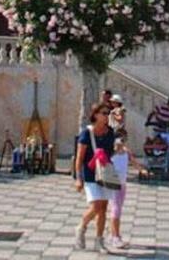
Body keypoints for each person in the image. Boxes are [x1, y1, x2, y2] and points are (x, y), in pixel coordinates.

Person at [74, 102, 116, 252]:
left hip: (104, 174)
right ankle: (81, 226)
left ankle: (99, 240)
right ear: (95, 115)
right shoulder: (87, 133)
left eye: (108, 113)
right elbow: (79, 158)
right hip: (90, 174)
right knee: (96, 206)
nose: (106, 116)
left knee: (103, 208)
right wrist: (78, 178)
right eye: (104, 113)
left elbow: (110, 152)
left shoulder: (110, 132)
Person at [107, 135, 146, 249]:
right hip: (113, 184)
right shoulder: (110, 153)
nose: (120, 143)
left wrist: (141, 170)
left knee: (116, 209)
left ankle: (112, 234)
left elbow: (134, 162)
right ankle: (116, 237)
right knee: (116, 210)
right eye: (118, 141)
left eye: (123, 141)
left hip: (122, 184)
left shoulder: (126, 152)